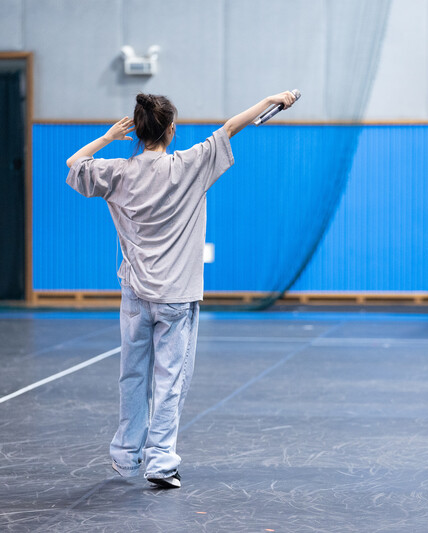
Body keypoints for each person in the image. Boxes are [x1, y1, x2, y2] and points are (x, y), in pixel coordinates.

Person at [65, 90, 297, 489]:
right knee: (170, 380)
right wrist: (271, 100)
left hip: (136, 294)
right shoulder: (190, 165)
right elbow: (229, 128)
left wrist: (106, 137)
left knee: (132, 375)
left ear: (135, 130)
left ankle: (125, 455)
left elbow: (74, 164)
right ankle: (160, 461)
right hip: (176, 296)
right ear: (172, 129)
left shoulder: (117, 172)